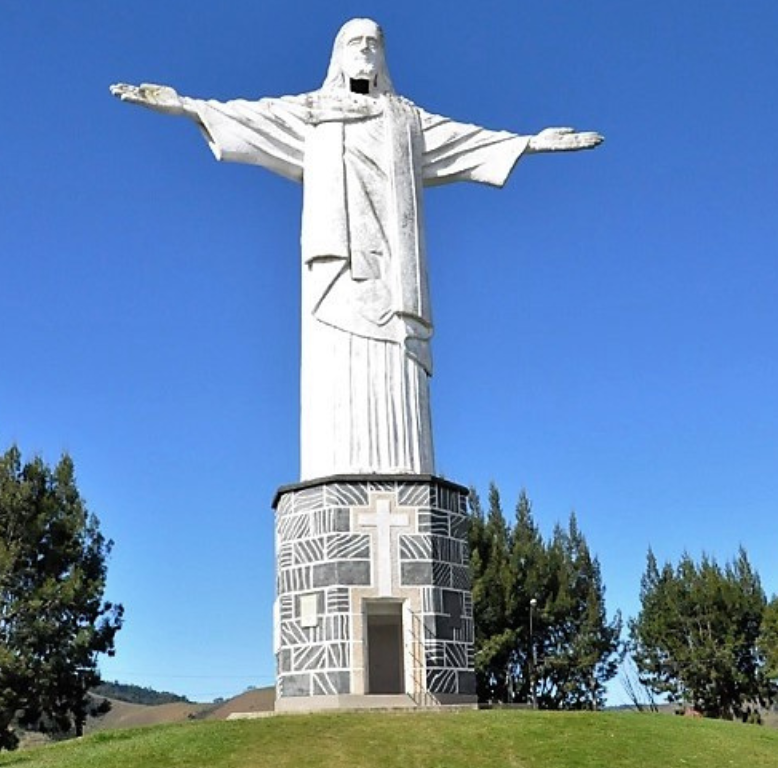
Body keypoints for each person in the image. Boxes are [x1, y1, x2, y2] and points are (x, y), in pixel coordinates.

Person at [112, 18, 602, 481]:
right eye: (356, 43)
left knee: (401, 387)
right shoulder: (313, 113)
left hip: (396, 281)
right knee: (337, 381)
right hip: (337, 276)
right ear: (339, 58)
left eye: (374, 43)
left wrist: (529, 144)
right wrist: (187, 106)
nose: (366, 51)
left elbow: (464, 141)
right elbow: (250, 115)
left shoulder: (407, 121)